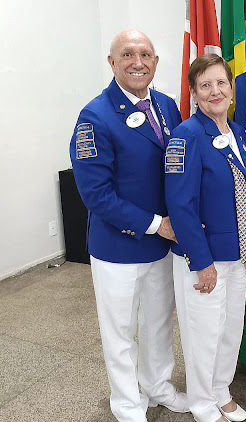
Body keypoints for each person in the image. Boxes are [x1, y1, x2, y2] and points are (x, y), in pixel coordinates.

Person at [69, 29, 187, 422]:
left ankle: (158, 387)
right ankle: (126, 403)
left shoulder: (167, 106)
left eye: (145, 55)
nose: (138, 62)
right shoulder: (95, 117)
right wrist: (156, 224)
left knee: (158, 324)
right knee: (120, 331)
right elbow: (96, 195)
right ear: (112, 62)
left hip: (162, 245)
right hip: (118, 247)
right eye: (128, 55)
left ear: (155, 61)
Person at [164, 54, 246, 422]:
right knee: (203, 335)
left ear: (231, 89)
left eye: (221, 83)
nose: (215, 91)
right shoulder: (186, 136)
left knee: (229, 330)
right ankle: (202, 403)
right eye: (205, 85)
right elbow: (181, 206)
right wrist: (202, 261)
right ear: (194, 93)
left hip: (237, 251)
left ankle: (220, 390)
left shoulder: (236, 131)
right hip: (203, 256)